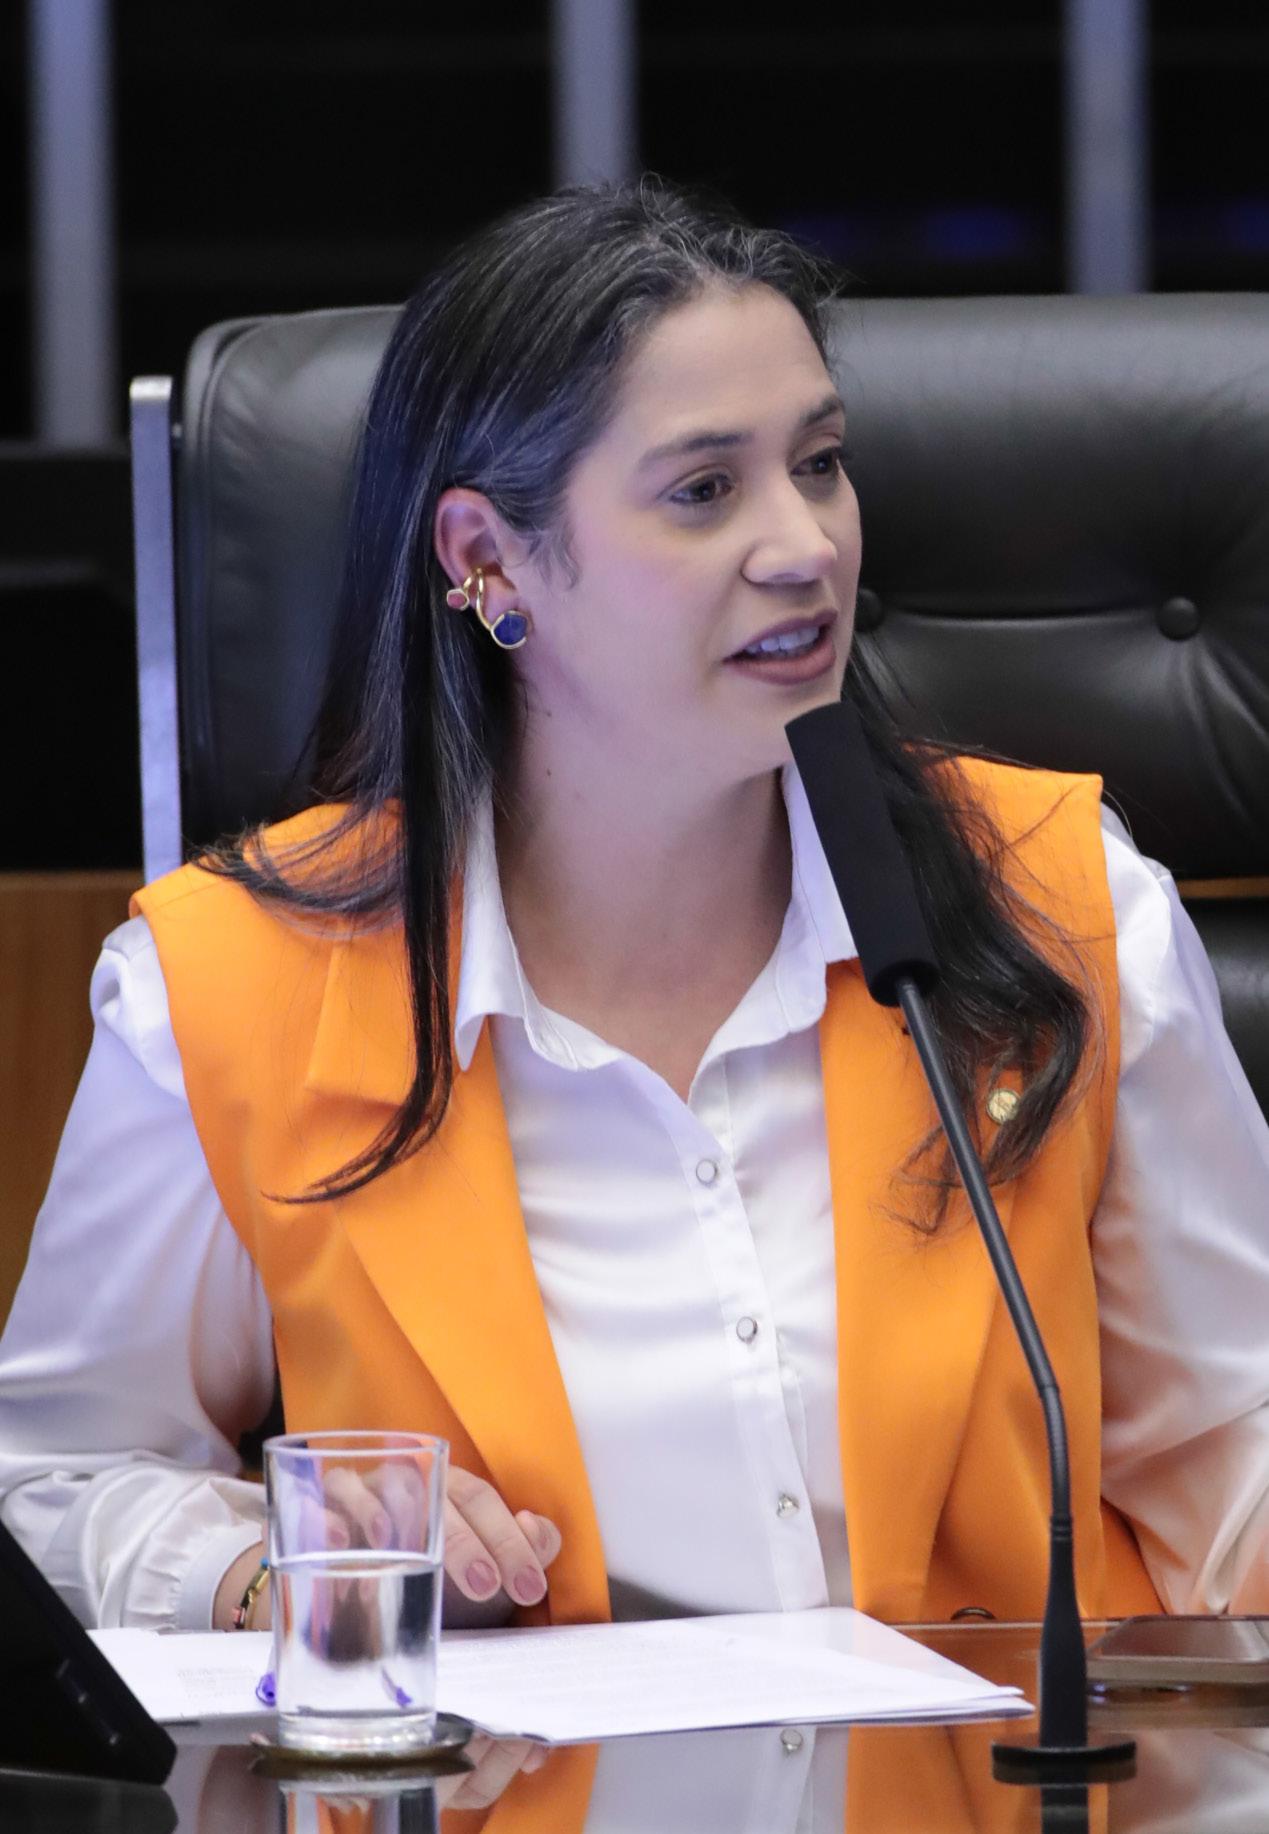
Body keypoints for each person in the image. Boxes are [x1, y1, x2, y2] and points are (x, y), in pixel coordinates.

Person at [1, 176, 1267, 1638]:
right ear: (486, 560)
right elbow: (55, 1482)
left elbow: (1233, 1448)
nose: (806, 546)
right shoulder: (224, 991)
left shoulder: (1055, 903)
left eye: (821, 464)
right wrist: (268, 1573)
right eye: (703, 489)